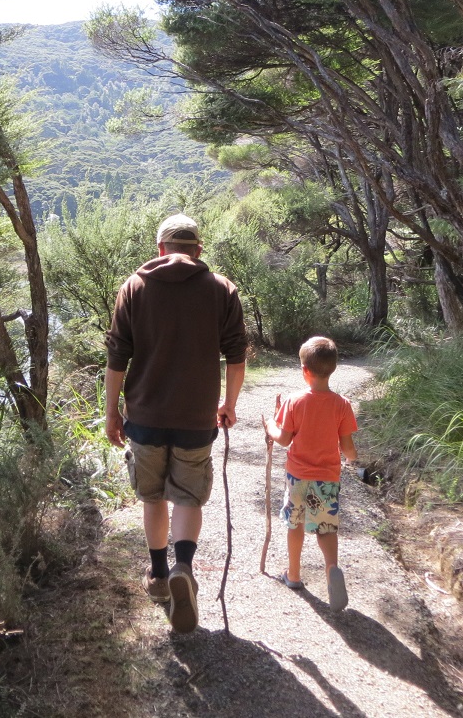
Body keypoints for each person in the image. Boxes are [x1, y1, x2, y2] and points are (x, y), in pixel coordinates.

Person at [105, 214, 247, 634]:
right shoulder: (222, 289)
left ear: (160, 249)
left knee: (153, 498)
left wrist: (112, 411)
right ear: (198, 250)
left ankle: (158, 574)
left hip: (145, 418)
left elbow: (117, 357)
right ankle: (183, 565)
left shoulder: (134, 287)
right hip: (196, 418)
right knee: (188, 497)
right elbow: (236, 355)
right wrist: (228, 403)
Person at [262, 336, 358, 612]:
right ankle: (332, 569)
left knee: (296, 524)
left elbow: (283, 439)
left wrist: (270, 425)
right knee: (325, 528)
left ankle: (293, 574)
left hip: (298, 478)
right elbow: (348, 448)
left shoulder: (294, 401)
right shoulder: (342, 404)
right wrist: (352, 458)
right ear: (333, 368)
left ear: (305, 370)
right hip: (326, 480)